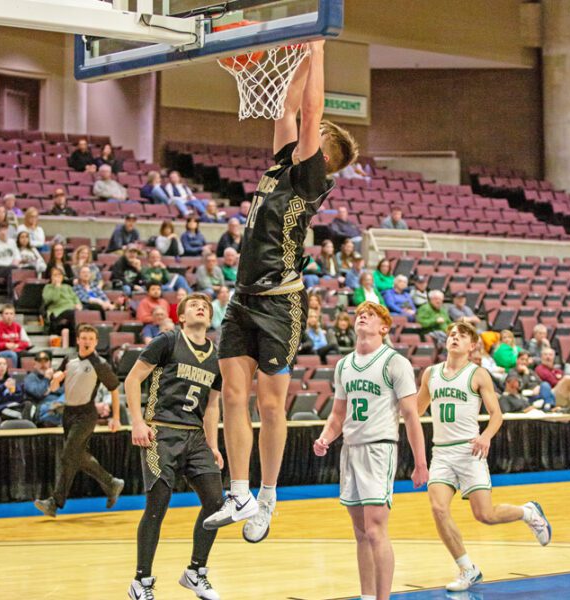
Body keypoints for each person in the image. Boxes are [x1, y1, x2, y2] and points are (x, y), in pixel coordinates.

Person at [205, 40, 358, 540]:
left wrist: (317, 46)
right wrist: (293, 60)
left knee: (270, 406)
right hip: (244, 296)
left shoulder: (311, 176)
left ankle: (269, 495)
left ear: (322, 152)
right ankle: (241, 491)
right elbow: (289, 106)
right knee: (231, 393)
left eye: (310, 137)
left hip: (281, 302)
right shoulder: (279, 165)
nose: (297, 134)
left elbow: (310, 109)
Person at [417, 321, 551, 592]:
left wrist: (486, 436)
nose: (455, 338)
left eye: (462, 336)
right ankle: (467, 569)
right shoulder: (430, 374)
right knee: (438, 509)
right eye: (452, 334)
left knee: (485, 515)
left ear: (473, 345)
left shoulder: (478, 374)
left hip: (470, 450)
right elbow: (415, 410)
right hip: (441, 452)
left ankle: (528, 512)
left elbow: (496, 415)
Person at [313, 302, 428, 600]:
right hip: (349, 450)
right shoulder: (344, 365)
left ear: (384, 327)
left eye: (371, 315)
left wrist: (420, 462)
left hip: (379, 449)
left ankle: (383, 598)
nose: (362, 316)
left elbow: (411, 415)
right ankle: (366, 596)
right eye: (359, 314)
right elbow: (337, 416)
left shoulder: (394, 362)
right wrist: (325, 438)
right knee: (361, 532)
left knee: (376, 529)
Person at [125, 293, 224, 600]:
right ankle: (141, 581)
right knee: (158, 506)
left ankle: (196, 572)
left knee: (216, 503)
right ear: (181, 316)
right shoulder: (167, 341)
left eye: (206, 307)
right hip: (162, 432)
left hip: (195, 437)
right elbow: (131, 380)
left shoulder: (216, 356)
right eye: (194, 305)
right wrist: (138, 422)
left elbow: (212, 407)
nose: (201, 308)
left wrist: (213, 444)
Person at [34, 324, 124, 517]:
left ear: (96, 342)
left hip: (86, 415)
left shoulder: (99, 363)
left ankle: (54, 502)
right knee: (75, 456)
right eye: (84, 338)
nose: (87, 342)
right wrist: (55, 379)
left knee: (68, 455)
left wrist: (115, 418)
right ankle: (111, 483)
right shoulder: (69, 359)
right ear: (78, 340)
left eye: (91, 339)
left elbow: (114, 389)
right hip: (68, 413)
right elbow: (55, 383)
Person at [23, 351, 65, 427]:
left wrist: (54, 382)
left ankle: (58, 406)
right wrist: (46, 379)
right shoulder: (30, 378)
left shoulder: (56, 376)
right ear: (35, 364)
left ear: (50, 363)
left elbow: (65, 391)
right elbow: (39, 393)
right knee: (57, 411)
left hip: (59, 407)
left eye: (45, 361)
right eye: (40, 361)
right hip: (42, 408)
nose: (43, 364)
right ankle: (57, 407)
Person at [42, 267, 82, 345]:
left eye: (59, 275)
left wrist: (78, 304)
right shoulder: (48, 288)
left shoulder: (67, 287)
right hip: (58, 312)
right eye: (55, 275)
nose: (57, 277)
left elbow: (75, 297)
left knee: (84, 313)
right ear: (51, 277)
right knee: (73, 314)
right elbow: (54, 299)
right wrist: (57, 287)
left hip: (72, 310)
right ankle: (78, 340)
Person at [0, 356, 29, 420]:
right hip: (1, 408)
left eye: (4, 364)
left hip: (14, 405)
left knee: (28, 404)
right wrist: (4, 387)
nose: (2, 366)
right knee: (21, 415)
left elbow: (20, 398)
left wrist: (12, 393)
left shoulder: (10, 380)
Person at [0, 222, 20, 295]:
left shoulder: (12, 242)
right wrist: (10, 265)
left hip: (11, 268)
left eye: (5, 229)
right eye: (0, 230)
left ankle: (16, 296)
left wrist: (16, 261)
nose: (3, 232)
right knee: (12, 269)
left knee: (13, 272)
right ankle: (11, 297)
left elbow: (17, 255)